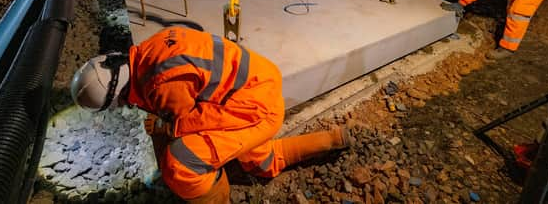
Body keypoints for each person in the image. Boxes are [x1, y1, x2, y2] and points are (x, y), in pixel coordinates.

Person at [70, 26, 350, 203]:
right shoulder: (149, 49)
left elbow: (198, 120)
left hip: (256, 110)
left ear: (115, 96)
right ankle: (334, 138)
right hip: (255, 91)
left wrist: (167, 129)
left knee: (181, 163)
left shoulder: (160, 85)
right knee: (260, 161)